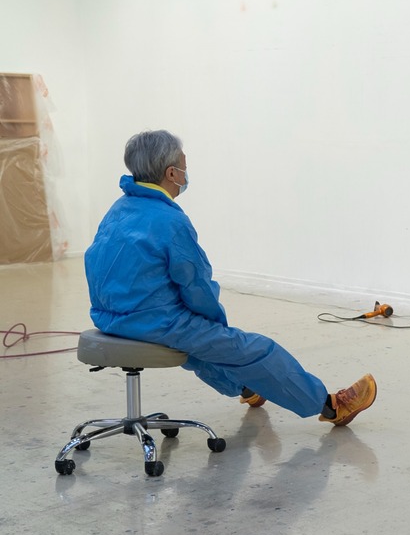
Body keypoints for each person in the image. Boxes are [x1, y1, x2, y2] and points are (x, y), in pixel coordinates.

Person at [84, 130, 376, 427]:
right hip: (151, 322)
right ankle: (330, 406)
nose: (186, 172)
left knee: (199, 349)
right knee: (253, 348)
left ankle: (247, 388)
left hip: (110, 319)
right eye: (184, 166)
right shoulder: (169, 220)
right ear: (172, 173)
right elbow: (196, 284)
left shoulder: (119, 209)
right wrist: (216, 323)